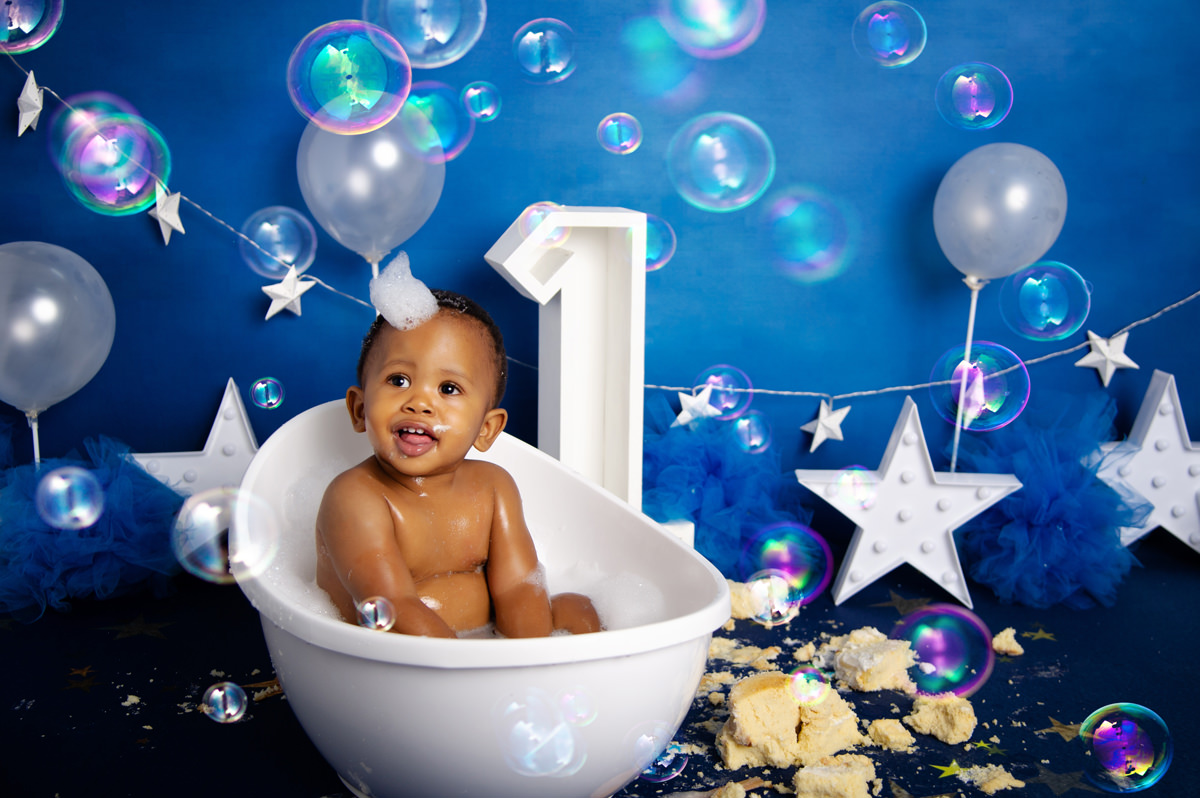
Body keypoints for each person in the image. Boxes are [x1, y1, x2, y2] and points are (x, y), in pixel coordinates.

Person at [315, 289, 602, 638]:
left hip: (490, 649)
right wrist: (465, 672)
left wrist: (527, 658)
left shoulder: (493, 487)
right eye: (399, 380)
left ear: (486, 428)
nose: (419, 402)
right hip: (406, 659)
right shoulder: (355, 497)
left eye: (449, 388)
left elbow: (518, 588)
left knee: (578, 608)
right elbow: (394, 605)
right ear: (360, 409)